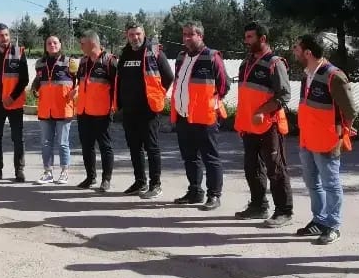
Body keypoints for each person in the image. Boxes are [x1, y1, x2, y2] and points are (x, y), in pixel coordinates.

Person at [293, 34, 357, 244]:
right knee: (312, 183)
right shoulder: (307, 74)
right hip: (307, 139)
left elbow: (349, 110)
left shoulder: (334, 76)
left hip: (327, 140)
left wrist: (341, 133)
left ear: (308, 53)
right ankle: (319, 220)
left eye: (297, 48)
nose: (294, 51)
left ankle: (333, 225)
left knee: (330, 184)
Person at [234, 22, 293, 227]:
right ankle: (258, 206)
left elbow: (284, 95)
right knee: (251, 168)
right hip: (249, 126)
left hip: (270, 125)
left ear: (263, 38)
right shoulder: (246, 63)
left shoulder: (275, 63)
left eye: (250, 37)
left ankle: (284, 211)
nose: (246, 40)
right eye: (246, 36)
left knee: (275, 170)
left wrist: (262, 111)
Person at [169, 21, 230, 211]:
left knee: (210, 157)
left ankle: (214, 195)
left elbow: (224, 85)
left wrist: (208, 103)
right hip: (183, 116)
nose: (186, 38)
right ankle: (195, 191)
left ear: (200, 36)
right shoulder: (181, 57)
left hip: (205, 117)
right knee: (190, 157)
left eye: (190, 34)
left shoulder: (212, 57)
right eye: (184, 34)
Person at [115, 21, 174, 200]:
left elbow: (169, 77)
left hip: (148, 110)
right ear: (127, 35)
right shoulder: (125, 53)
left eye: (138, 34)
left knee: (152, 147)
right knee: (134, 148)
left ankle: (155, 184)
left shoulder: (154, 52)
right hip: (129, 110)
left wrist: (158, 95)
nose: (135, 37)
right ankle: (140, 182)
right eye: (132, 34)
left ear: (144, 33)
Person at [0, 23, 29, 182]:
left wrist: (12, 97)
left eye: (7, 35)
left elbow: (24, 79)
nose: (5, 38)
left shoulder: (19, 52)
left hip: (14, 104)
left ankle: (19, 170)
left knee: (18, 138)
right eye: (1, 35)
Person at [31, 35, 77, 184]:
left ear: (60, 44)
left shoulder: (70, 62)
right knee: (45, 142)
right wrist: (34, 90)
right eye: (49, 43)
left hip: (63, 108)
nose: (52, 45)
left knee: (63, 143)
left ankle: (64, 172)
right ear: (45, 46)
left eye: (55, 43)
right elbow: (37, 81)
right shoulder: (40, 63)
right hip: (45, 109)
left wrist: (76, 90)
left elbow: (80, 80)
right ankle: (47, 172)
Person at [75, 31, 117, 192]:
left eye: (82, 43)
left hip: (102, 112)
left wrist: (114, 107)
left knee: (105, 146)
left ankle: (106, 179)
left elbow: (116, 87)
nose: (80, 46)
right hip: (84, 111)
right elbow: (81, 83)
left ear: (92, 43)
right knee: (87, 146)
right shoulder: (83, 61)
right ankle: (90, 177)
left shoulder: (109, 61)